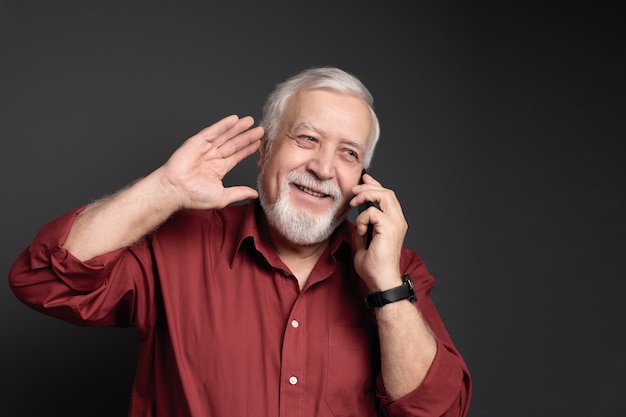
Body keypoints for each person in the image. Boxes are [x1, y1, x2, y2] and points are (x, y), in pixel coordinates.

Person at [9, 66, 471, 416]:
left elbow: (436, 411)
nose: (324, 168)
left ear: (362, 179)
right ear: (264, 151)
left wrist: (385, 287)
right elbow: (43, 279)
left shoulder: (396, 269)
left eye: (348, 154)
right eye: (307, 139)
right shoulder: (178, 245)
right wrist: (162, 191)